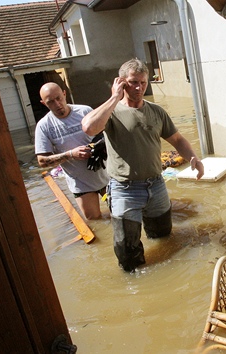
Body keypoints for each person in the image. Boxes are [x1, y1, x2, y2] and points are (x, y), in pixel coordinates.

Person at [82, 58, 204, 272]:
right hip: (124, 190)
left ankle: (167, 276)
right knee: (127, 253)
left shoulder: (156, 112)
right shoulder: (111, 112)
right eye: (133, 82)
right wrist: (114, 97)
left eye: (143, 83)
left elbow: (177, 140)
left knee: (164, 239)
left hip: (156, 186)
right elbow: (89, 128)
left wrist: (193, 157)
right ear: (121, 82)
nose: (138, 88)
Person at [34, 82, 110, 220]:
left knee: (121, 215)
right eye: (50, 102)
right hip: (80, 183)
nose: (57, 104)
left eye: (59, 98)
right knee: (95, 220)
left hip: (106, 174)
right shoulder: (44, 126)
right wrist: (70, 154)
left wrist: (99, 147)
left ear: (64, 93)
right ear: (44, 103)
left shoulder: (85, 111)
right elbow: (42, 162)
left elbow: (109, 134)